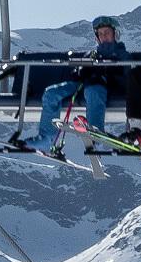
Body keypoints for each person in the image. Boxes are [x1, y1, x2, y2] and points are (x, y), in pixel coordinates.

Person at [16, 15, 131, 157]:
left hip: (105, 87)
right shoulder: (92, 54)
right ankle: (46, 139)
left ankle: (96, 135)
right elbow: (77, 71)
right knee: (51, 93)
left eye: (107, 33)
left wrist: (106, 72)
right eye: (100, 34)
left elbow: (126, 75)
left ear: (115, 34)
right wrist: (80, 71)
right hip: (83, 84)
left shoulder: (122, 55)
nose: (103, 36)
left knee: (93, 92)